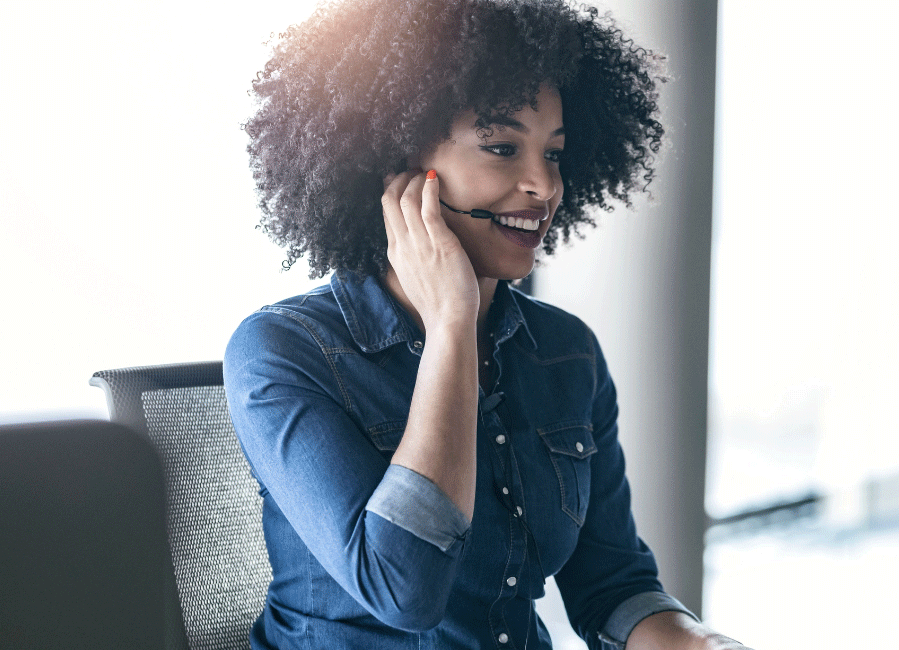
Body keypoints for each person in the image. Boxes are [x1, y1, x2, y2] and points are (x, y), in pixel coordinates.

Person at [224, 1, 751, 648]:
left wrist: (699, 643)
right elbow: (404, 589)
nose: (542, 184)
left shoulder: (564, 353)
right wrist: (451, 325)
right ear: (392, 165)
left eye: (553, 153)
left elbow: (612, 584)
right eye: (502, 148)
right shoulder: (282, 350)